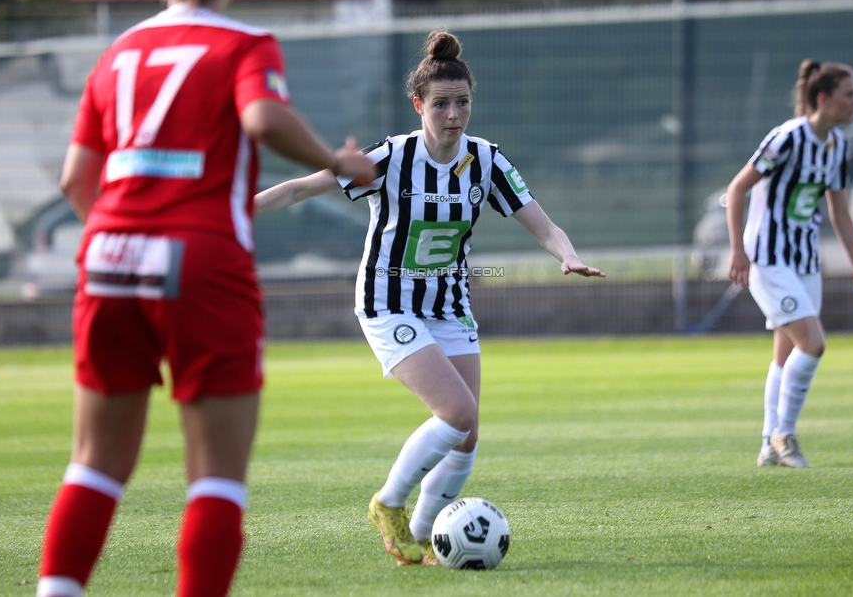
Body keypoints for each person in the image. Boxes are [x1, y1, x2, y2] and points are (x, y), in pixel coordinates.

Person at [36, 0, 373, 595]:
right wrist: (338, 160)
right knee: (215, 474)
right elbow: (262, 117)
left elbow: (76, 179)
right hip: (200, 259)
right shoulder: (246, 43)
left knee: (95, 464)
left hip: (108, 258)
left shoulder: (118, 53)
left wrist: (126, 234)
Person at [254, 30, 604, 564]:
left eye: (462, 102)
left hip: (448, 306)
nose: (453, 114)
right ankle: (388, 503)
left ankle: (422, 537)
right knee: (457, 410)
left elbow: (540, 220)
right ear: (419, 105)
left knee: (466, 436)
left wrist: (566, 253)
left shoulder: (485, 161)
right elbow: (303, 187)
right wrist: (232, 209)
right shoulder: (391, 158)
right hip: (387, 302)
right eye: (441, 104)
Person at [726, 59, 853, 469]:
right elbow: (737, 188)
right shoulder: (788, 138)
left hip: (805, 261)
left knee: (786, 353)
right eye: (849, 94)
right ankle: (784, 436)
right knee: (814, 342)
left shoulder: (838, 145)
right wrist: (738, 250)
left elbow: (839, 211)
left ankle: (765, 445)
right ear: (823, 99)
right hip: (768, 257)